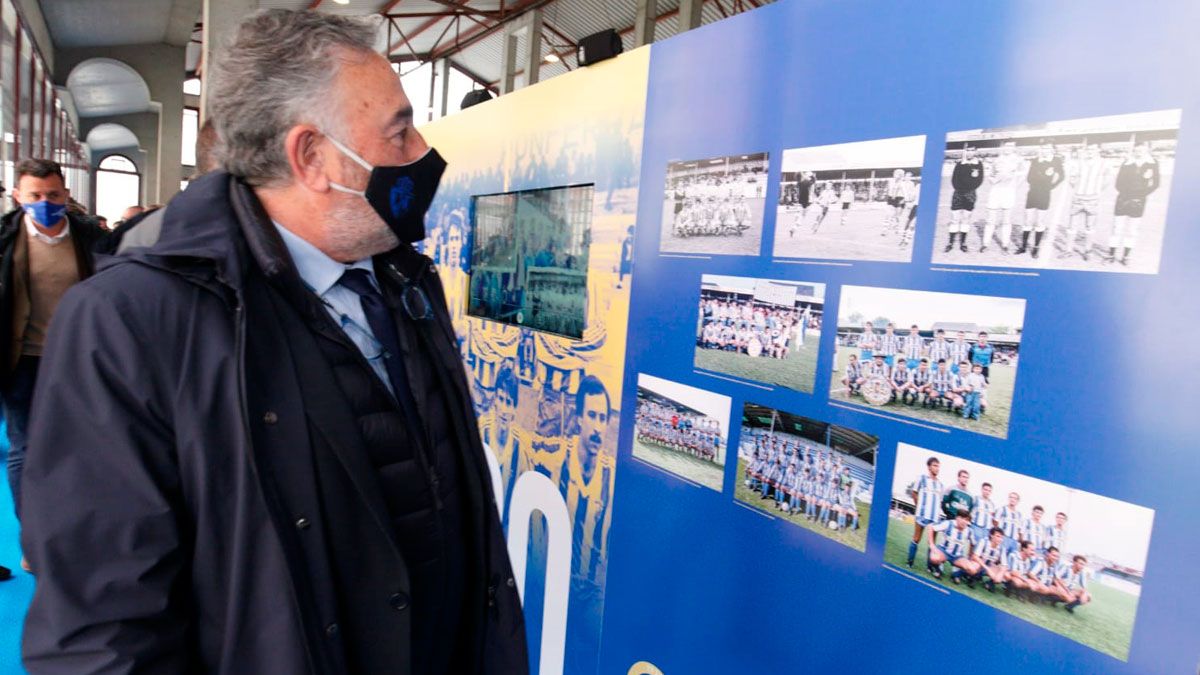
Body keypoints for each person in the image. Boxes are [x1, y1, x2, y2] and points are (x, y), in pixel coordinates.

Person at [20, 10, 527, 674]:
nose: (421, 150)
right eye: (399, 129)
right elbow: (103, 630)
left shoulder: (405, 277)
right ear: (312, 157)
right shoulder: (130, 323)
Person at [0, 159, 110, 536]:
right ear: (18, 196)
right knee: (25, 447)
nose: (44, 202)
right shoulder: (5, 239)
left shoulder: (90, 238)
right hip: (21, 359)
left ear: (66, 195)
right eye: (34, 195)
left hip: (77, 357)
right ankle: (33, 534)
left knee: (80, 444)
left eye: (52, 194)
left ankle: (72, 528)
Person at [1107, 141, 1160, 265]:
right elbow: (1117, 183)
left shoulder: (1153, 164)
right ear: (1134, 150)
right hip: (1123, 199)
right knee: (1116, 228)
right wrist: (1126, 194)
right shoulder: (1126, 163)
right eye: (1137, 150)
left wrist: (1142, 194)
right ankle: (1111, 255)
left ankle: (1126, 257)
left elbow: (1156, 183)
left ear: (1146, 150)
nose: (1139, 152)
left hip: (1139, 201)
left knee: (1132, 230)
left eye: (1142, 150)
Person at [1018, 143, 1065, 258]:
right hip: (1032, 193)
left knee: (1040, 221)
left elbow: (1062, 176)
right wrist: (1038, 179)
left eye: (1048, 148)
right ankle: (1023, 246)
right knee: (1028, 221)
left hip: (1045, 194)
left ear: (1052, 150)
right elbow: (1029, 178)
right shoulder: (1035, 160)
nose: (1045, 150)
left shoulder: (1056, 161)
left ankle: (1036, 248)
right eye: (1043, 148)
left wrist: (1052, 186)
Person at [983, 141, 1022, 253]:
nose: (1008, 148)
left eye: (1011, 146)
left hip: (1009, 192)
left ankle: (1005, 245)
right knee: (991, 219)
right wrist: (994, 181)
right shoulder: (997, 160)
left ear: (1014, 147)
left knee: (1006, 219)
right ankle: (985, 244)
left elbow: (1022, 176)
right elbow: (990, 176)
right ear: (1002, 147)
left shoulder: (1018, 160)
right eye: (1006, 146)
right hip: (995, 191)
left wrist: (1014, 187)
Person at [906, 456, 943, 568]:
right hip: (922, 514)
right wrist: (919, 506)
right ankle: (910, 562)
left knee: (931, 543)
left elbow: (939, 501)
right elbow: (914, 492)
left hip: (934, 517)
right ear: (929, 467)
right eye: (935, 466)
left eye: (938, 466)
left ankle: (929, 566)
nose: (937, 468)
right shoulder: (922, 478)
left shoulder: (940, 484)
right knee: (916, 538)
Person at [946, 145, 983, 252]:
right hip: (958, 194)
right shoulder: (959, 164)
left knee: (966, 219)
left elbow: (979, 181)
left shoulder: (978, 164)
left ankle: (963, 243)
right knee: (955, 219)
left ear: (975, 152)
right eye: (968, 150)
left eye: (972, 150)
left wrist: (968, 189)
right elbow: (954, 180)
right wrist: (960, 189)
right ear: (965, 152)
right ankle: (950, 243)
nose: (970, 152)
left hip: (970, 194)